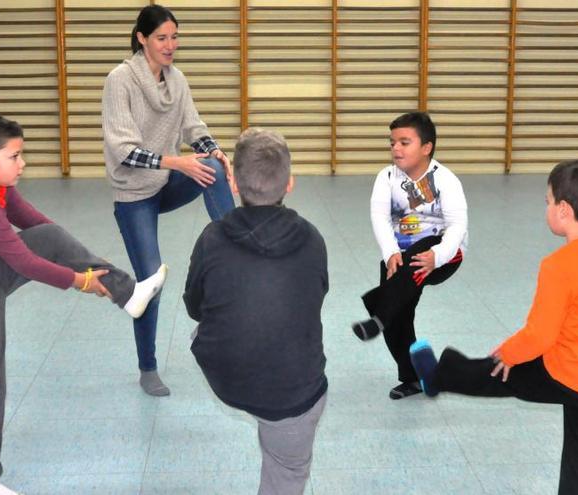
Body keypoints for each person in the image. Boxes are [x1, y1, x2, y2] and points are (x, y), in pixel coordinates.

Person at [0, 113, 165, 495]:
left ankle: (128, 294)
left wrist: (62, 245)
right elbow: (24, 262)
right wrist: (80, 281)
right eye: (14, 156)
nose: (22, 164)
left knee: (47, 235)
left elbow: (35, 227)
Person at [409, 159, 578, 495]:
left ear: (563, 210)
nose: (546, 207)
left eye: (547, 201)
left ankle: (439, 376)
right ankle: (446, 371)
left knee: (502, 372)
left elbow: (540, 334)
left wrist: (509, 352)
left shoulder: (559, 266)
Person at [184, 128, 328, 495]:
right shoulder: (312, 238)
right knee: (288, 467)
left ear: (233, 185)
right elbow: (315, 296)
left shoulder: (212, 237)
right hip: (292, 389)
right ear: (290, 183)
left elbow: (193, 306)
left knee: (208, 328)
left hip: (225, 373)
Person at [102, 5, 236, 396]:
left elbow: (195, 127)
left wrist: (216, 152)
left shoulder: (177, 81)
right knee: (150, 283)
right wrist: (177, 161)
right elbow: (124, 150)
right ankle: (147, 367)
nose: (170, 45)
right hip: (133, 194)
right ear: (142, 38)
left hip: (165, 182)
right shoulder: (120, 81)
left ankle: (234, 245)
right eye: (162, 37)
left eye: (175, 37)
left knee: (210, 162)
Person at [351, 111, 468, 399]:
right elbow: (379, 217)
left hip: (442, 252)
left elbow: (457, 226)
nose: (396, 149)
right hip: (400, 255)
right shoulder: (386, 177)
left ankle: (377, 315)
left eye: (405, 142)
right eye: (392, 143)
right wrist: (390, 252)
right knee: (398, 318)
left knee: (419, 251)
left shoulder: (446, 180)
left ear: (426, 147)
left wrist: (437, 256)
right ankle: (414, 378)